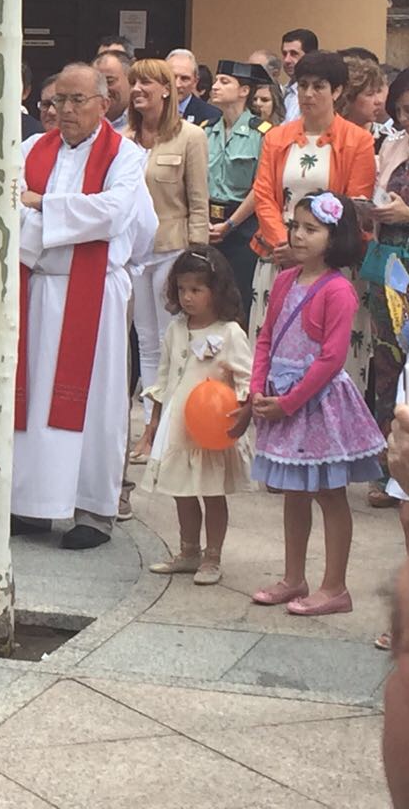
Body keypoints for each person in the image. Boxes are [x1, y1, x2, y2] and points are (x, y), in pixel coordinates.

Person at [14, 63, 158, 550]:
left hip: (94, 294)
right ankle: (33, 504)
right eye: (59, 100)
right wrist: (56, 220)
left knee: (96, 403)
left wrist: (42, 205)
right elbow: (9, 208)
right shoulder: (32, 149)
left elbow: (114, 214)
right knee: (34, 398)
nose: (66, 110)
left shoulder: (126, 156)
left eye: (78, 100)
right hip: (38, 288)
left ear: (103, 104)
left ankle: (93, 510)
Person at [242, 192, 382, 616]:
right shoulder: (285, 279)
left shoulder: (338, 290)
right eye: (295, 226)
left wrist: (288, 402)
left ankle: (335, 586)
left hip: (317, 406)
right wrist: (257, 388)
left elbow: (331, 359)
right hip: (282, 398)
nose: (298, 236)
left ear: (334, 237)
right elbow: (266, 337)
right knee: (294, 492)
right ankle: (293, 577)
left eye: (311, 229)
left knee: (329, 493)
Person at [248, 51, 375, 401]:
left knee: (330, 358)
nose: (308, 94)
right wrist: (286, 244)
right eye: (302, 85)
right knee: (274, 347)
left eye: (319, 86)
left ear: (337, 91)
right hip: (280, 256)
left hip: (332, 264)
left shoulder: (358, 141)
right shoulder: (276, 137)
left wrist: (312, 252)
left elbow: (354, 207)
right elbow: (264, 196)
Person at [141, 249, 251, 587]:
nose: (187, 297)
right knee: (182, 491)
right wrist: (154, 421)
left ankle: (212, 555)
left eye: (196, 290)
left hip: (212, 430)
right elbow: (163, 377)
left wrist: (242, 412)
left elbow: (246, 378)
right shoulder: (176, 329)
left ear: (216, 290)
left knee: (212, 492)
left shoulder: (229, 333)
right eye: (182, 289)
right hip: (178, 427)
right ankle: (188, 550)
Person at [124, 57, 209, 462]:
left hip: (173, 249)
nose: (137, 89)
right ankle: (149, 426)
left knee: (169, 338)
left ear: (165, 90)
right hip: (135, 252)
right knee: (145, 341)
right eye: (134, 82)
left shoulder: (190, 136)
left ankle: (169, 428)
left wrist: (197, 255)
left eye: (146, 83)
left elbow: (198, 200)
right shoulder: (124, 138)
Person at [205, 60, 273, 319]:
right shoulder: (205, 130)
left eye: (224, 82)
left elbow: (261, 186)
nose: (215, 86)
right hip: (207, 223)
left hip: (243, 226)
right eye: (216, 80)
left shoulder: (262, 133)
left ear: (244, 91)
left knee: (239, 299)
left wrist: (230, 224)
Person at [369, 68, 409, 447]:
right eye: (400, 111)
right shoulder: (393, 145)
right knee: (387, 356)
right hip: (390, 265)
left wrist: (407, 215)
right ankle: (388, 453)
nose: (405, 118)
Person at [166, 48, 218, 128]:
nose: (177, 85)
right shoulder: (149, 111)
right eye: (172, 77)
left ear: (195, 82)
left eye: (184, 78)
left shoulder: (212, 116)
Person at [280, 29, 318, 123]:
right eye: (284, 54)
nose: (287, 60)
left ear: (310, 56)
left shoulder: (316, 94)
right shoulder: (282, 92)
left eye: (294, 54)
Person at [93, 51, 130, 130]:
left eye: (109, 81)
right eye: (97, 83)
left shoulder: (145, 122)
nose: (103, 89)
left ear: (130, 80)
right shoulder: (82, 123)